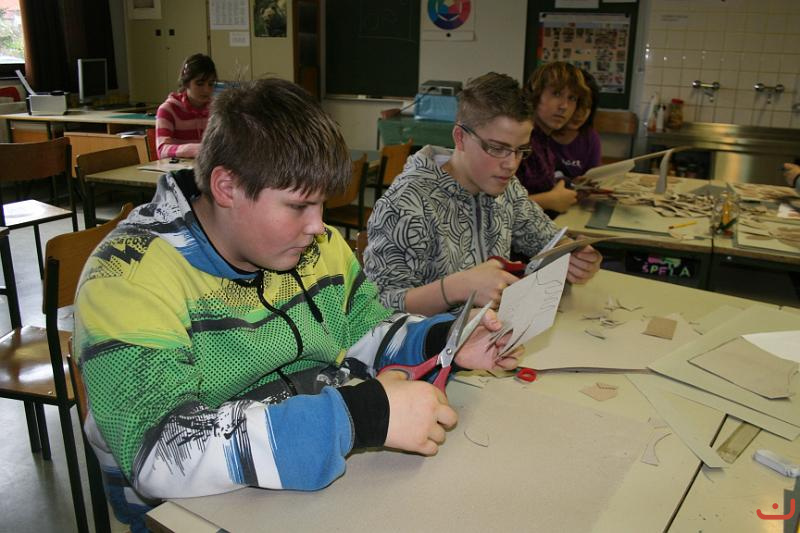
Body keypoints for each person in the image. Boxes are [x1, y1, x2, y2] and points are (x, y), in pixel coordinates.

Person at [74, 78, 520, 532]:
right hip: (194, 513)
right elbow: (160, 454)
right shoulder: (126, 279)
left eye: (321, 205)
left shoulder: (311, 247)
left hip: (323, 482)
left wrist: (448, 339)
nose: (319, 227)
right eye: (298, 206)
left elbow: (365, 332)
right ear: (226, 187)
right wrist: (361, 416)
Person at [364, 72, 602, 316]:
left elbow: (546, 239)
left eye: (521, 150)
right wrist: (455, 288)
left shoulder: (507, 188)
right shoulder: (405, 204)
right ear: (460, 137)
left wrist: (572, 254)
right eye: (497, 148)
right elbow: (376, 307)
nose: (511, 164)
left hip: (491, 331)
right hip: (431, 339)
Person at [516, 62, 592, 216]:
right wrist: (548, 200)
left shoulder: (543, 140)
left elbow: (538, 186)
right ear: (536, 95)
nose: (564, 106)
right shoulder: (520, 140)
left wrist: (571, 186)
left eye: (572, 98)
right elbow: (494, 208)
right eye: (556, 94)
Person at [155, 53, 217, 159]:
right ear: (186, 83)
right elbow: (162, 150)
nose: (207, 90)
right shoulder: (168, 110)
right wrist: (197, 149)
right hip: (179, 168)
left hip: (208, 167)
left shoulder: (216, 110)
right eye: (199, 84)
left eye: (211, 84)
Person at [549, 69, 602, 182]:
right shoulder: (539, 134)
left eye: (588, 106)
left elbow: (593, 178)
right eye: (577, 105)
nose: (581, 113)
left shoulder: (590, 137)